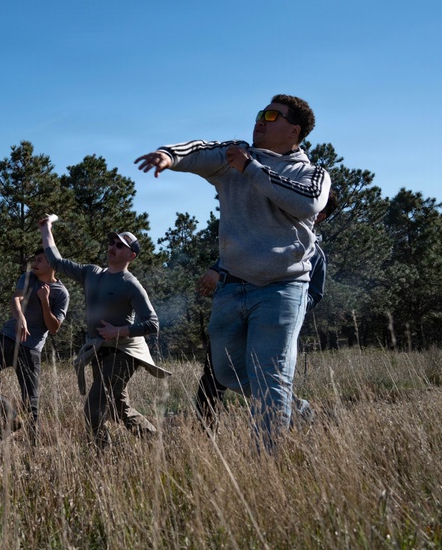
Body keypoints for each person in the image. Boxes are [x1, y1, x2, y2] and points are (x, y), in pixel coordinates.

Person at [135, 94, 331, 448]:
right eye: (261, 113)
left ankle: (266, 465)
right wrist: (170, 155)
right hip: (232, 286)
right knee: (224, 371)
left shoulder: (312, 173)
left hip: (282, 286)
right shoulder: (236, 154)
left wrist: (252, 170)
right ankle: (294, 407)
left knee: (270, 376)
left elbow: (306, 203)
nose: (261, 120)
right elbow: (201, 150)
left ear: (294, 131)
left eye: (272, 116)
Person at [195, 190, 338, 424]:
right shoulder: (266, 235)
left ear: (319, 215)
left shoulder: (315, 255)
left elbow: (314, 294)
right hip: (233, 313)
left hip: (269, 322)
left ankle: (291, 412)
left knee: (267, 378)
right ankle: (204, 435)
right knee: (213, 376)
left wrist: (283, 305)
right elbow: (235, 256)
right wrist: (216, 269)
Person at [39, 218, 170, 444]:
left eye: (120, 245)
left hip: (125, 353)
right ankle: (156, 443)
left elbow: (152, 323)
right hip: (100, 351)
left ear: (131, 256)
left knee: (93, 407)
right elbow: (56, 262)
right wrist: (46, 229)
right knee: (120, 407)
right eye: (112, 242)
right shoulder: (92, 273)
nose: (112, 247)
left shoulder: (130, 284)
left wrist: (118, 330)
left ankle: (101, 454)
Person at [0, 249, 70, 443]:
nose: (35, 263)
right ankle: (10, 416)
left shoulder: (61, 293)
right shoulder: (28, 277)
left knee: (31, 401)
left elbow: (54, 328)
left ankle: (34, 448)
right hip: (7, 341)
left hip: (31, 350)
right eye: (35, 259)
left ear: (52, 265)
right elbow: (16, 299)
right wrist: (20, 317)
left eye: (40, 260)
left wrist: (45, 301)